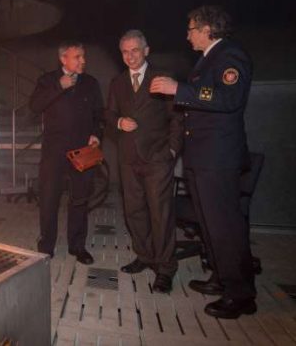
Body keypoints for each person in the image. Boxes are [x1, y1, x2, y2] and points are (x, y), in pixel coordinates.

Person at [150, 5, 256, 318]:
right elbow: (202, 96)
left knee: (224, 226)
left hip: (217, 159)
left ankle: (240, 295)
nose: (187, 34)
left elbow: (228, 98)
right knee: (210, 224)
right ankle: (222, 278)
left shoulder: (230, 56)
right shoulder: (207, 59)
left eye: (191, 28)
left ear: (207, 28)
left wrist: (178, 89)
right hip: (203, 157)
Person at [105, 30, 183, 293]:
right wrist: (118, 122)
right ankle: (145, 255)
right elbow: (109, 115)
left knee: (160, 214)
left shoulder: (162, 78)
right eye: (125, 52)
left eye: (135, 50)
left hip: (157, 158)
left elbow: (177, 118)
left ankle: (165, 268)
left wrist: (172, 150)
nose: (130, 56)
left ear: (146, 50)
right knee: (134, 211)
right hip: (128, 159)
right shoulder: (117, 82)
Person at [29, 40, 104, 264]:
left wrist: (96, 133)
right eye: (77, 57)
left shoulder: (90, 83)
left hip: (83, 150)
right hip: (54, 151)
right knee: (49, 199)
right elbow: (34, 107)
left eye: (83, 56)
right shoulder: (47, 80)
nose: (83, 61)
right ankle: (46, 247)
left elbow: (99, 114)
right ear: (63, 59)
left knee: (80, 199)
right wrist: (58, 87)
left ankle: (77, 246)